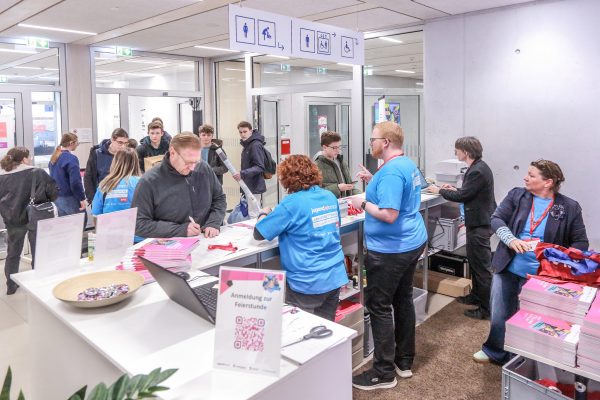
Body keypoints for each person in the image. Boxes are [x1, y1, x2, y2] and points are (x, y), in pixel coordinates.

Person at [473, 159, 588, 364]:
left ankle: (524, 359)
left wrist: (562, 257)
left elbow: (580, 242)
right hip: (508, 267)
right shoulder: (517, 195)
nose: (525, 178)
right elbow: (496, 219)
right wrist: (510, 239)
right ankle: (495, 351)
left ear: (548, 182)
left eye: (532, 175)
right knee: (500, 313)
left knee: (534, 320)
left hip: (541, 276)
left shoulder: (569, 207)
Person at [350, 121, 427, 391]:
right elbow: (398, 194)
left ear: (385, 142)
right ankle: (403, 361)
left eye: (373, 139)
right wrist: (374, 181)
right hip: (411, 242)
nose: (370, 143)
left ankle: (383, 372)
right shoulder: (404, 164)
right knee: (402, 299)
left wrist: (362, 202)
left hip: (391, 249)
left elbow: (389, 214)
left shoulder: (392, 171)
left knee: (379, 305)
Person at [253, 155, 348, 321]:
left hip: (306, 281)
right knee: (325, 330)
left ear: (286, 179)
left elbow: (259, 233)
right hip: (334, 276)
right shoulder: (329, 196)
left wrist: (263, 213)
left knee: (301, 330)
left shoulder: (291, 203)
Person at [427, 136, 496, 320]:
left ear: (465, 151)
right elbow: (469, 193)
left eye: (457, 150)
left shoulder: (477, 171)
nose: (455, 153)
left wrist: (440, 190)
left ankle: (487, 309)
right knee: (474, 263)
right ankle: (476, 296)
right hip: (478, 222)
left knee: (482, 268)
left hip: (480, 224)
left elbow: (463, 196)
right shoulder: (477, 167)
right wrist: (453, 189)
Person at [131, 132, 226, 239]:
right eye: (188, 162)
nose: (193, 168)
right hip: (171, 245)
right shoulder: (149, 181)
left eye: (196, 162)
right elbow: (139, 224)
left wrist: (213, 222)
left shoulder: (203, 167)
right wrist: (180, 230)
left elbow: (219, 198)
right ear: (173, 152)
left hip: (207, 240)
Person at [0, 147, 57, 294]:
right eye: (29, 156)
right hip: (36, 216)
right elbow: (52, 192)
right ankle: (38, 283)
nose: (30, 159)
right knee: (38, 250)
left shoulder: (2, 176)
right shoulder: (37, 172)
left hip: (12, 219)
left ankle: (11, 285)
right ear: (24, 159)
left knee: (13, 252)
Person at [84, 128, 129, 204]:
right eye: (120, 143)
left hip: (121, 197)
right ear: (112, 139)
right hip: (102, 196)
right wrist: (92, 198)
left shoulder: (126, 155)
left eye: (125, 143)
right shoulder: (97, 153)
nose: (123, 146)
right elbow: (88, 176)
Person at [92, 147, 141, 216]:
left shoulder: (104, 185)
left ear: (115, 162)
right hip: (136, 221)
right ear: (136, 163)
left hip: (109, 222)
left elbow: (96, 213)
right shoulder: (142, 183)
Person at [49, 133, 87, 217]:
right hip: (69, 198)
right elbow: (75, 182)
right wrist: (81, 198)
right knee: (79, 222)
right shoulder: (71, 158)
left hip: (56, 198)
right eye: (77, 143)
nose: (77, 145)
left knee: (65, 223)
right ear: (71, 143)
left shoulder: (53, 158)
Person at [314, 131, 360, 198]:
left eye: (339, 147)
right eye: (334, 148)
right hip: (330, 203)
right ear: (324, 147)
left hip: (345, 202)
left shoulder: (341, 161)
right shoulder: (315, 166)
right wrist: (337, 188)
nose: (338, 150)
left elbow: (349, 186)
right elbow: (315, 193)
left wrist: (361, 195)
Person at [232, 121, 266, 198]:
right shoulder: (247, 144)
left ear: (250, 131)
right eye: (240, 132)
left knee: (253, 206)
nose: (242, 134)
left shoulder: (255, 145)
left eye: (245, 132)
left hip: (254, 187)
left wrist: (242, 173)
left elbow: (260, 167)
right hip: (248, 186)